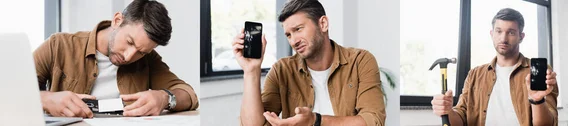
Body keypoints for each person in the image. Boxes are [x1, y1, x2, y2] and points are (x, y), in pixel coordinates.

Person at [35, 0, 198, 118]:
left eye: (141, 52)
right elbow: (12, 89)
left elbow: (188, 94)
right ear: (117, 20)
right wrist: (47, 99)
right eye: (129, 42)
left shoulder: (148, 60)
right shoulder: (59, 46)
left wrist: (165, 98)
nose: (129, 56)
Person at [233, 0, 386, 126]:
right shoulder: (282, 70)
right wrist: (251, 70)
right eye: (288, 35)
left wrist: (316, 120)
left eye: (298, 29)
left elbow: (373, 121)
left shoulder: (360, 61)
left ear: (323, 24)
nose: (293, 41)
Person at [430, 8, 559, 126]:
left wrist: (537, 101)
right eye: (499, 31)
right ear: (492, 33)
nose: (503, 38)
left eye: (511, 32)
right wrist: (447, 111)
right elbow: (460, 120)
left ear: (521, 36)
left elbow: (548, 124)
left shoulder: (538, 72)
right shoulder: (475, 74)